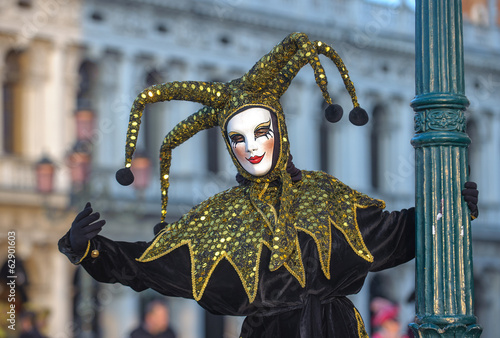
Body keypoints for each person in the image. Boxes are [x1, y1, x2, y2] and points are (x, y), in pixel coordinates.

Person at [59, 32, 479, 337]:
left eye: (261, 131)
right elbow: (153, 265)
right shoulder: (221, 217)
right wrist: (92, 250)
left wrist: (449, 206)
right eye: (238, 138)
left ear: (280, 130)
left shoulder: (324, 195)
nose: (252, 147)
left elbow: (395, 234)